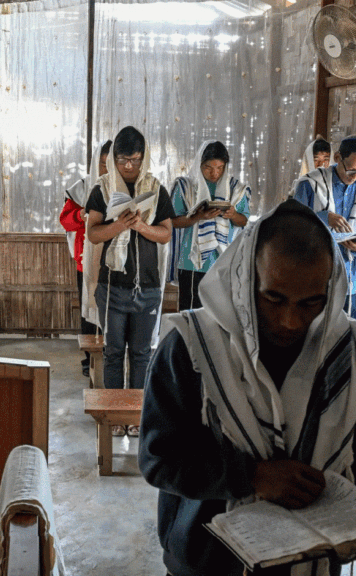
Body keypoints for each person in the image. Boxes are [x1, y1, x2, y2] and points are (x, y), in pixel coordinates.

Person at [139, 199, 356, 576]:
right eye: (273, 298)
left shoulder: (350, 356)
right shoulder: (193, 348)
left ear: (331, 290)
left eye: (311, 302)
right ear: (245, 278)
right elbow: (159, 459)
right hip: (207, 561)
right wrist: (251, 476)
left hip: (311, 562)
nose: (290, 320)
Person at [84, 126, 174, 437]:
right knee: (112, 352)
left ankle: (136, 417)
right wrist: (118, 225)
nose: (129, 168)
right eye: (122, 161)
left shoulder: (156, 189)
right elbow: (93, 233)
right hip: (113, 288)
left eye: (135, 160)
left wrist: (140, 227)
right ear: (113, 160)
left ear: (144, 157)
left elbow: (165, 234)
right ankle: (113, 419)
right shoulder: (103, 188)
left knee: (141, 354)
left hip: (147, 287)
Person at [294, 135, 356, 320]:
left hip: (355, 278)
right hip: (317, 279)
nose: (355, 177)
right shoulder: (310, 184)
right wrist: (323, 218)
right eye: (351, 170)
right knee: (317, 336)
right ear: (337, 158)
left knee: (349, 336)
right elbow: (293, 228)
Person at [168, 140, 250, 311]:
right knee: (190, 314)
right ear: (199, 164)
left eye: (220, 168)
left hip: (223, 263)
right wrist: (198, 217)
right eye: (208, 168)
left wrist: (233, 214)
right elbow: (173, 221)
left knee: (219, 316)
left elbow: (244, 221)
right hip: (191, 262)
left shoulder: (236, 189)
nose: (214, 173)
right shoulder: (185, 187)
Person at [61, 140, 111, 377]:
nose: (106, 169)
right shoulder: (80, 188)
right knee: (89, 308)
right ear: (94, 163)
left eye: (111, 163)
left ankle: (111, 354)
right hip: (86, 258)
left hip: (115, 259)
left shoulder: (123, 188)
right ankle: (88, 358)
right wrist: (81, 214)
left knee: (112, 307)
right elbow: (65, 220)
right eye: (102, 164)